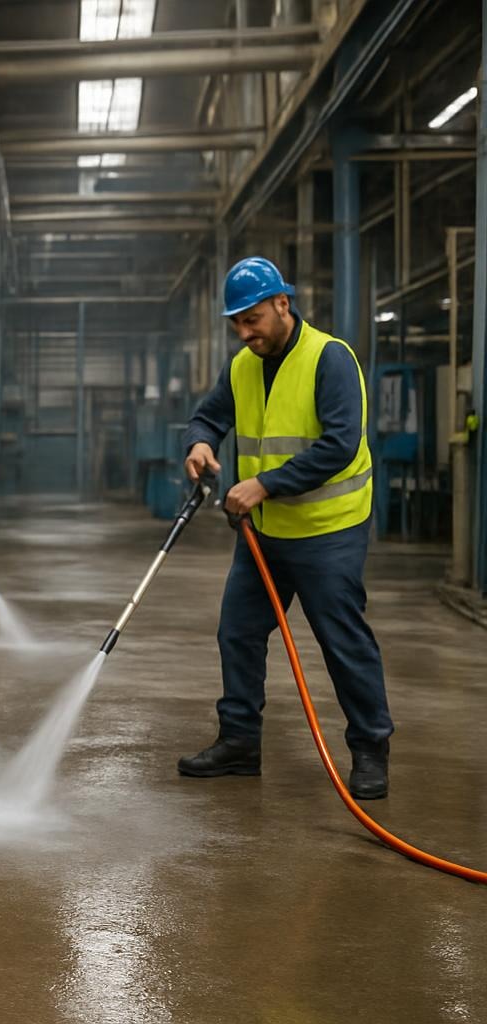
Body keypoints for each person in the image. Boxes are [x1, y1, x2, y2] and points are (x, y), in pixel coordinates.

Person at [178, 256, 392, 799]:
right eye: (237, 324)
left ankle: (370, 750)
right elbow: (209, 415)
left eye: (253, 320)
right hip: (265, 534)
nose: (246, 333)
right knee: (238, 634)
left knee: (341, 640)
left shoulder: (330, 359)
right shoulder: (242, 366)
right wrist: (200, 441)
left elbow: (340, 444)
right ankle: (240, 743)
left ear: (282, 303)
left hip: (328, 529)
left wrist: (264, 485)